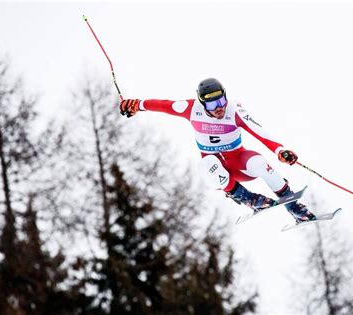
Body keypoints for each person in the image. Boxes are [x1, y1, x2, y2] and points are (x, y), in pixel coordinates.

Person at [119, 78, 316, 223]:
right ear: (202, 103)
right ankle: (248, 199)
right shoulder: (190, 108)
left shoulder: (234, 110)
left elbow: (260, 132)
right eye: (212, 104)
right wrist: (137, 105)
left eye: (221, 101)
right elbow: (163, 105)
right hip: (218, 170)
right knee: (206, 164)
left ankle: (294, 207)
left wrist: (280, 150)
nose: (219, 108)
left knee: (259, 163)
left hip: (239, 161)